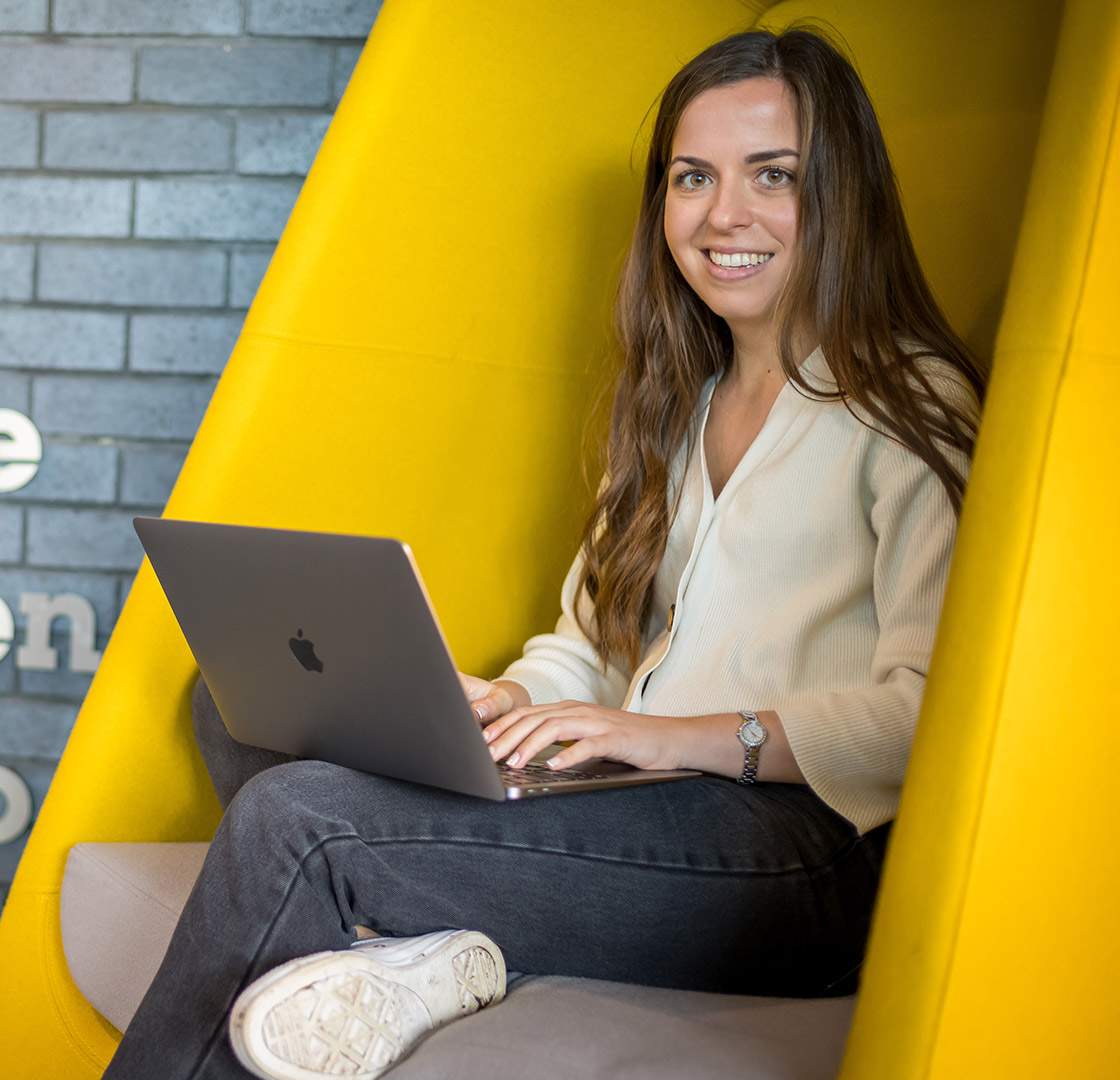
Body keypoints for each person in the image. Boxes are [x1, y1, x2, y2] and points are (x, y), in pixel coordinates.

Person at [100, 22, 987, 1080]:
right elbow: (591, 639)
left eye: (774, 176)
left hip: (799, 854)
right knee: (230, 700)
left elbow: (937, 713)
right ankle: (436, 962)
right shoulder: (678, 402)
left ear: (843, 195)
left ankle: (413, 950)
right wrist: (511, 708)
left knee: (298, 822)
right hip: (644, 797)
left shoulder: (910, 402)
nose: (724, 215)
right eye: (692, 177)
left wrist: (682, 738)